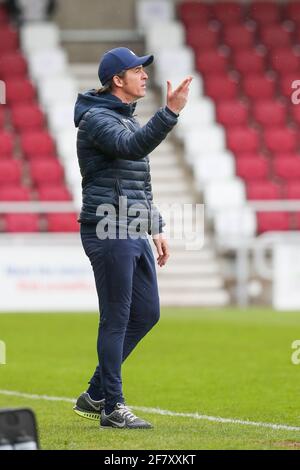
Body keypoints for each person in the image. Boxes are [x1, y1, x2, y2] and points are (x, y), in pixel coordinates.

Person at [73, 47, 192, 429]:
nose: (144, 75)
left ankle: (94, 393)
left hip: (131, 228)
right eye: (136, 70)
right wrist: (169, 112)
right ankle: (112, 406)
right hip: (107, 228)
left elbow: (140, 183)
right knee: (116, 318)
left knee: (147, 313)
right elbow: (131, 149)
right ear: (116, 80)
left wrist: (155, 226)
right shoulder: (96, 119)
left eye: (144, 70)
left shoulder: (124, 119)